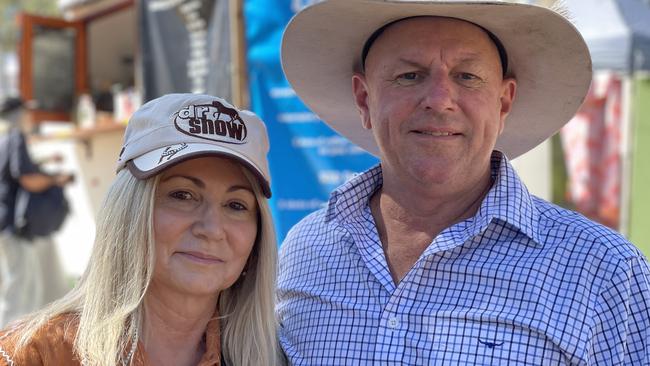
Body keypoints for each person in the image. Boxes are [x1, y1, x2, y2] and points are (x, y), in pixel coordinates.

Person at [277, 1, 650, 364]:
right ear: (364, 98)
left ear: (503, 102)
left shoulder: (603, 270)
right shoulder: (305, 251)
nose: (440, 100)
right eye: (409, 75)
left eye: (467, 76)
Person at [0, 94, 284, 365]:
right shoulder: (33, 355)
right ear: (128, 211)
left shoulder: (276, 356)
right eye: (182, 195)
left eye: (236, 205)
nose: (212, 229)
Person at [0, 97, 73, 327]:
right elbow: (27, 179)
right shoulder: (15, 137)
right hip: (13, 224)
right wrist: (56, 179)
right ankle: (7, 350)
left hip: (6, 221)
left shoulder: (3, 139)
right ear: (19, 115)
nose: (30, 117)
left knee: (19, 285)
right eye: (27, 113)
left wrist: (44, 160)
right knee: (20, 290)